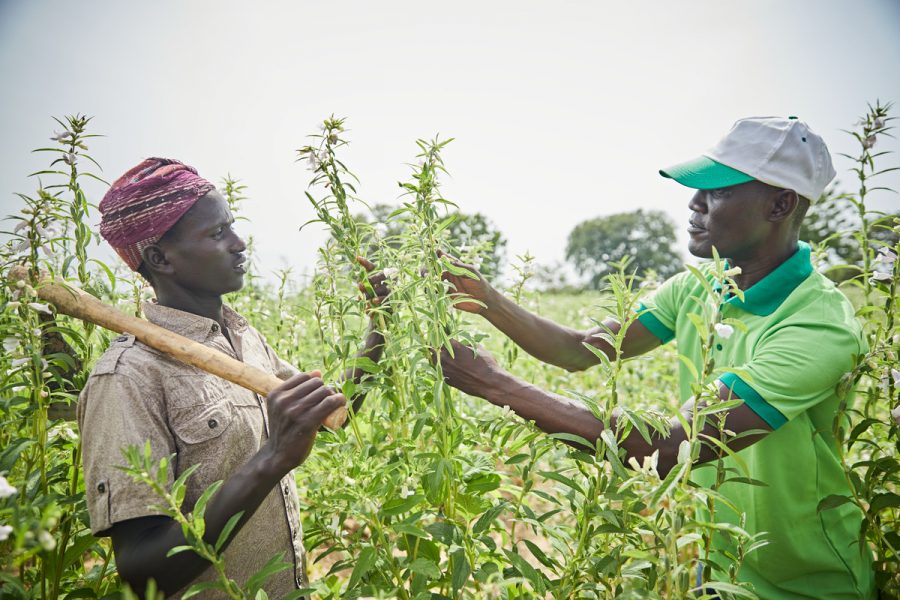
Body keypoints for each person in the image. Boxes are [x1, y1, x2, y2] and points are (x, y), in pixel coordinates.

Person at [437, 117, 875, 598]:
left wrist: (494, 385)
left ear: (780, 203)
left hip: (805, 584)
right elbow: (580, 350)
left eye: (718, 190)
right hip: (716, 565)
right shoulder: (697, 287)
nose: (694, 203)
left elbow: (672, 447)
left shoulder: (817, 324)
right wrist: (484, 297)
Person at [77, 158, 390, 598]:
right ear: (159, 259)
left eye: (232, 227)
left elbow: (331, 416)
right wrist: (273, 458)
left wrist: (382, 330)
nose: (240, 243)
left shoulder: (244, 338)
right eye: (217, 234)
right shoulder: (128, 378)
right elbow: (142, 572)